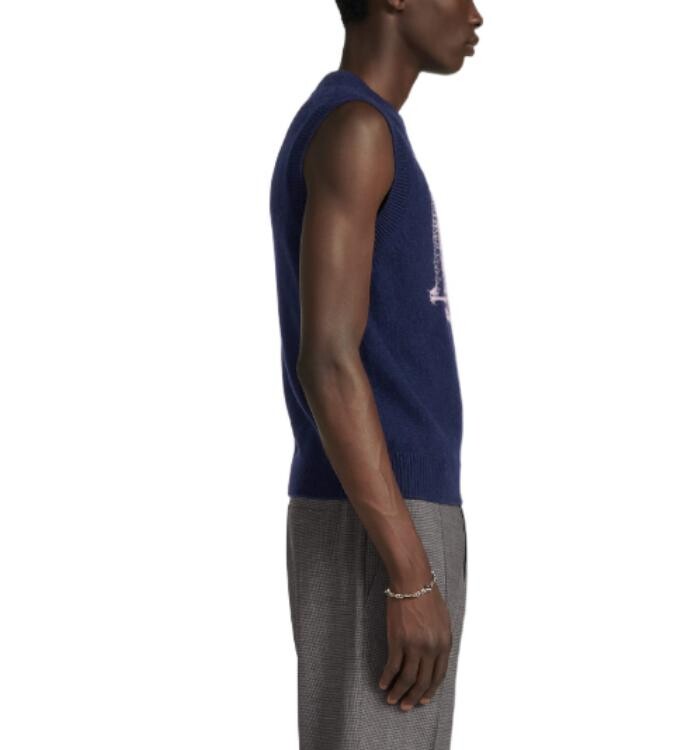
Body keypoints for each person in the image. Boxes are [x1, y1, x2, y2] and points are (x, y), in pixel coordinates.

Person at [269, 1, 483, 747]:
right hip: (378, 522)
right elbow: (328, 361)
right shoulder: (355, 130)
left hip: (391, 516)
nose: (475, 13)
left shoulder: (367, 129)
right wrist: (410, 570)